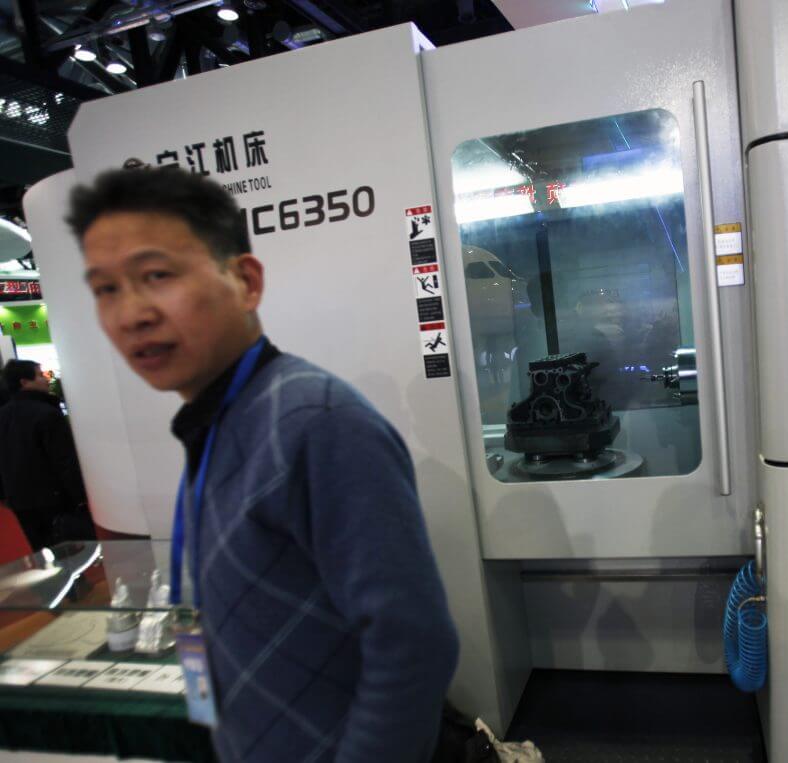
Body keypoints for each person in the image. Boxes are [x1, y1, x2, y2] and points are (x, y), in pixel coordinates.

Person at [67, 167, 459, 762]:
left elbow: (414, 643)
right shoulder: (219, 419)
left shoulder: (315, 421)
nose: (131, 314)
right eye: (106, 289)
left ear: (245, 281)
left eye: (156, 276)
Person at [0, 359, 90, 549]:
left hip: (19, 500)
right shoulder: (47, 414)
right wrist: (80, 498)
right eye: (40, 375)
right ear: (24, 382)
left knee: (41, 550)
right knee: (70, 550)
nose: (46, 379)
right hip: (54, 500)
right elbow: (64, 461)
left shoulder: (4, 415)